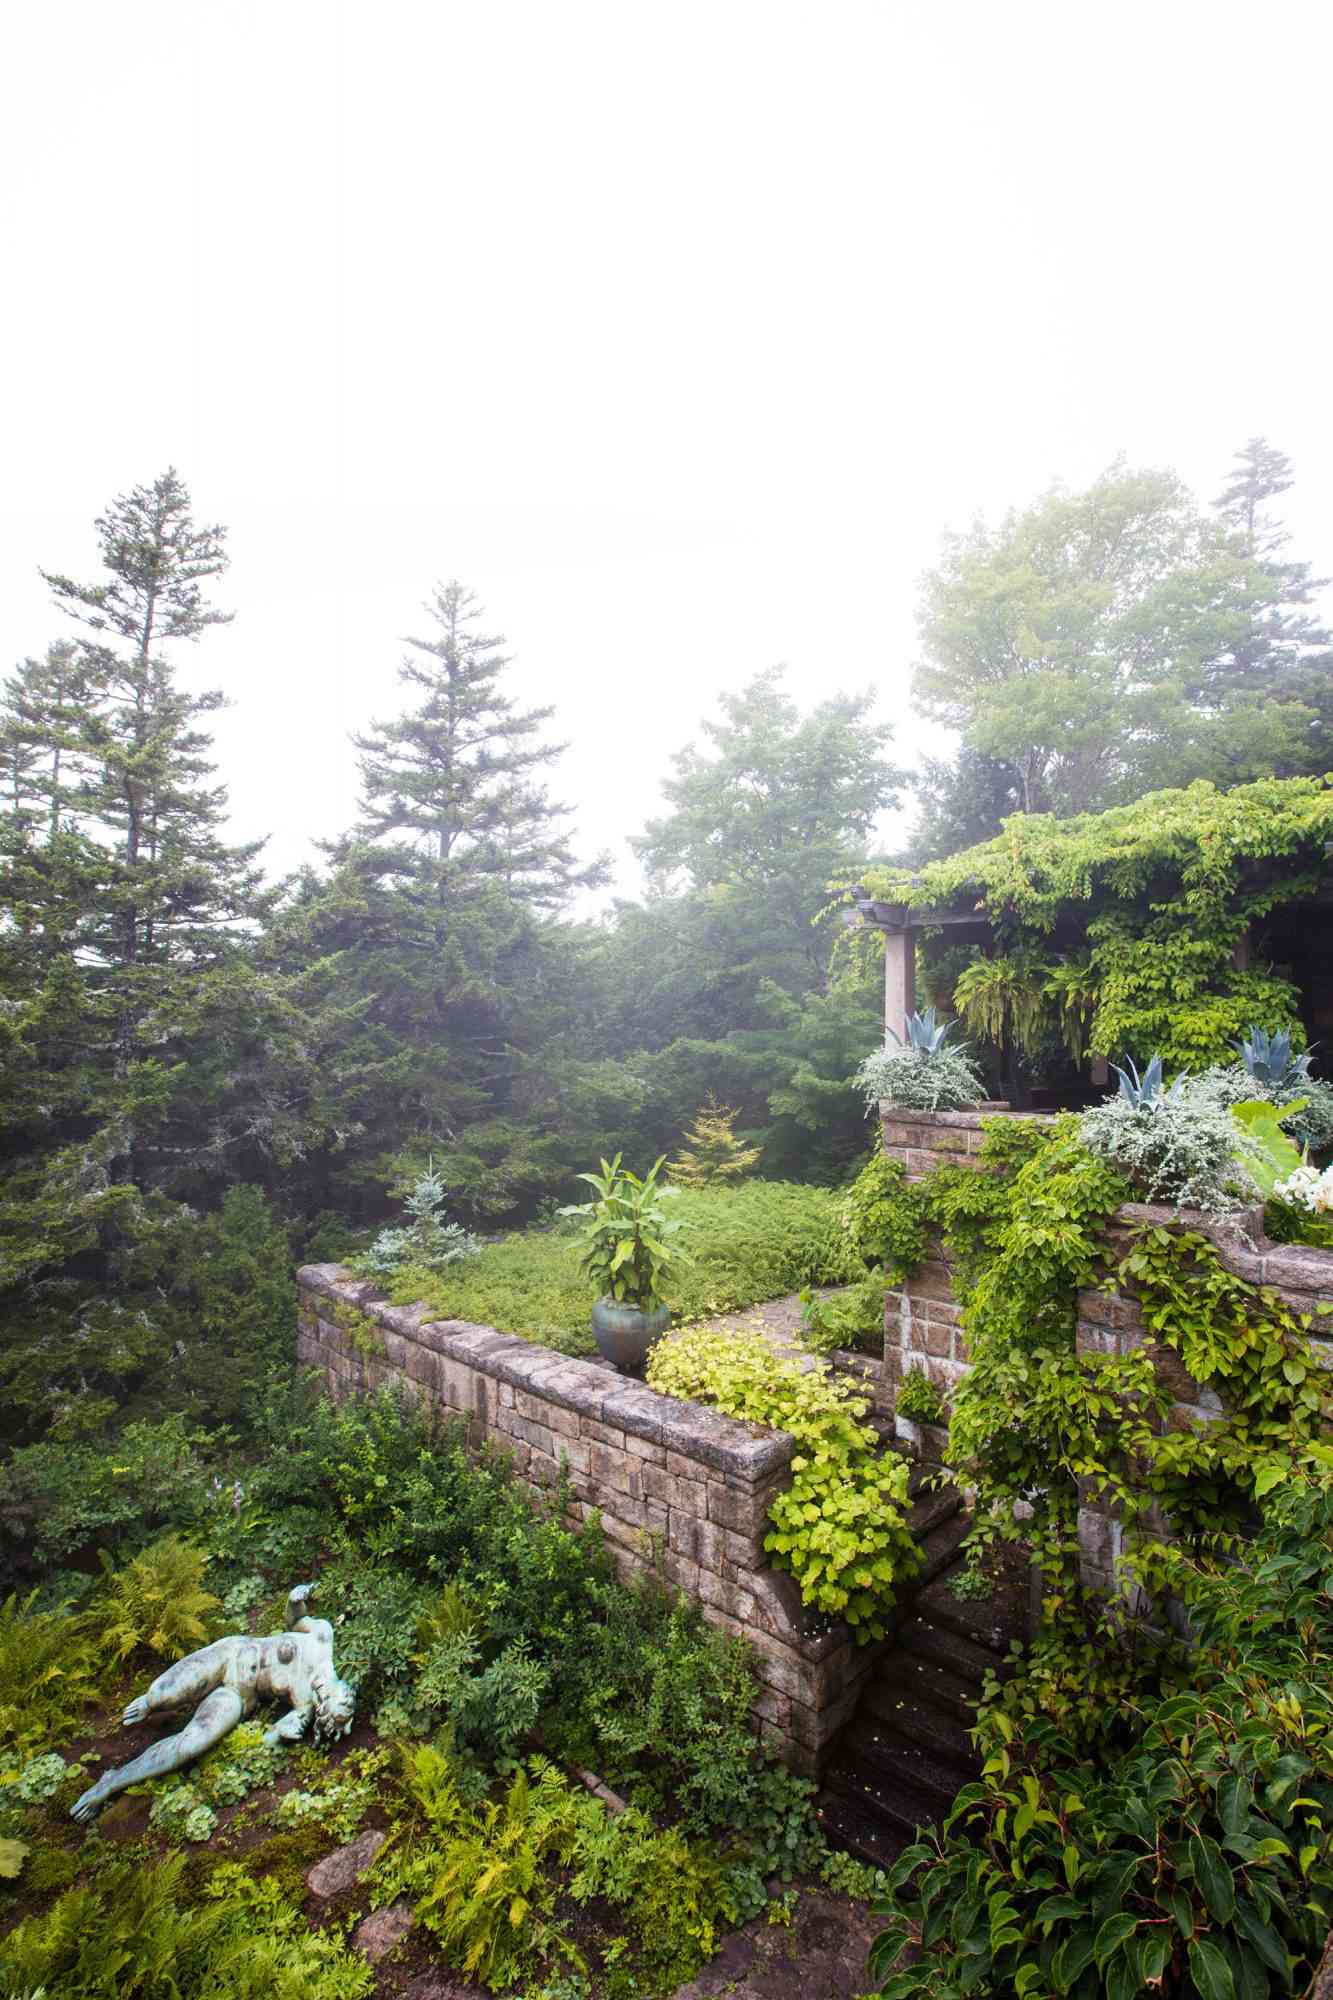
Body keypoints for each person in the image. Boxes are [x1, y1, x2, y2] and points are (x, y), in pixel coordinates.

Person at [70, 1580, 354, 1822]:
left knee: (192, 1744)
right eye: (332, 1696)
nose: (323, 1696)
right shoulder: (322, 1637)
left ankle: (112, 1782)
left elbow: (268, 1740)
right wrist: (295, 1601)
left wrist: (277, 1735)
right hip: (231, 1655)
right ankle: (150, 1703)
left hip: (239, 1696)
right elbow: (295, 1622)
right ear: (342, 1688)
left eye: (325, 1707)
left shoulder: (305, 1706)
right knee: (161, 1695)